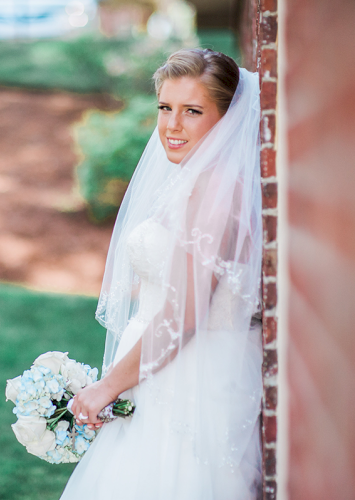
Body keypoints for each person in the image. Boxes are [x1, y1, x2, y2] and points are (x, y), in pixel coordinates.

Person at [61, 48, 263, 500]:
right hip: (160, 369)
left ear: (228, 117)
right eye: (165, 108)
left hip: (193, 379)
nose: (172, 126)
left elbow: (183, 315)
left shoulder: (215, 190)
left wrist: (106, 387)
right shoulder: (199, 179)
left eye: (192, 111)